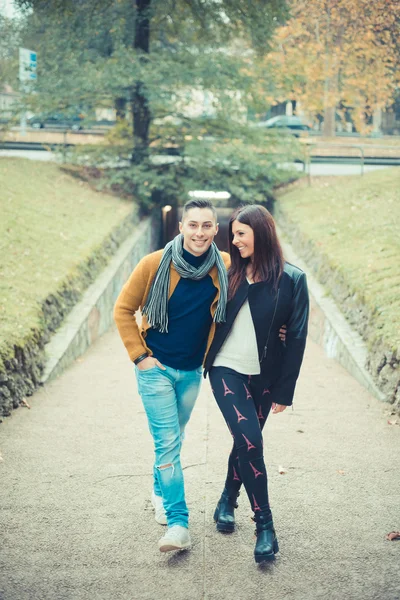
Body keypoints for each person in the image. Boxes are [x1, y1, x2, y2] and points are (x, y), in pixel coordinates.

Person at [113, 198, 230, 553]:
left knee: (174, 437)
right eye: (192, 224)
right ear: (180, 227)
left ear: (215, 229)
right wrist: (140, 358)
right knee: (167, 443)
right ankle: (179, 524)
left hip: (193, 370)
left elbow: (260, 289)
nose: (199, 232)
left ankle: (159, 488)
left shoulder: (224, 265)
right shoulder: (154, 264)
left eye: (206, 225)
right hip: (156, 369)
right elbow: (123, 309)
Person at [203, 204, 309, 564]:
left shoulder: (292, 280)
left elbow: (296, 337)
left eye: (240, 234)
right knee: (251, 438)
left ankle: (226, 500)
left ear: (260, 233)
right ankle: (265, 527)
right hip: (225, 368)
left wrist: (285, 390)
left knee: (245, 441)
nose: (234, 240)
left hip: (266, 373)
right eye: (232, 234)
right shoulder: (227, 272)